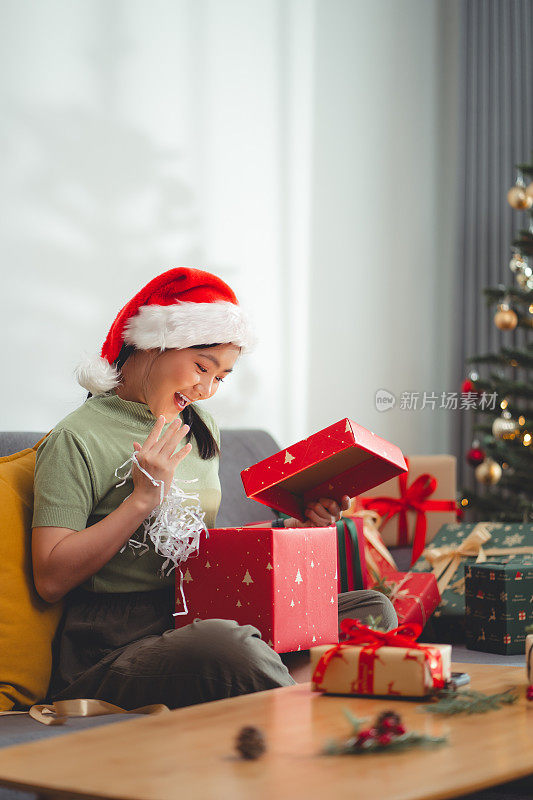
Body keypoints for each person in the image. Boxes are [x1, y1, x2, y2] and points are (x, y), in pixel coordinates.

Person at [32, 267, 396, 710]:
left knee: (372, 610)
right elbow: (50, 578)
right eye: (201, 367)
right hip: (112, 643)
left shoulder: (201, 427)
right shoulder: (75, 438)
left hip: (198, 611)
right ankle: (300, 706)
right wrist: (141, 501)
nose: (205, 389)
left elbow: (200, 547)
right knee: (231, 645)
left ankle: (278, 691)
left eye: (220, 377)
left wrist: (293, 527)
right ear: (154, 343)